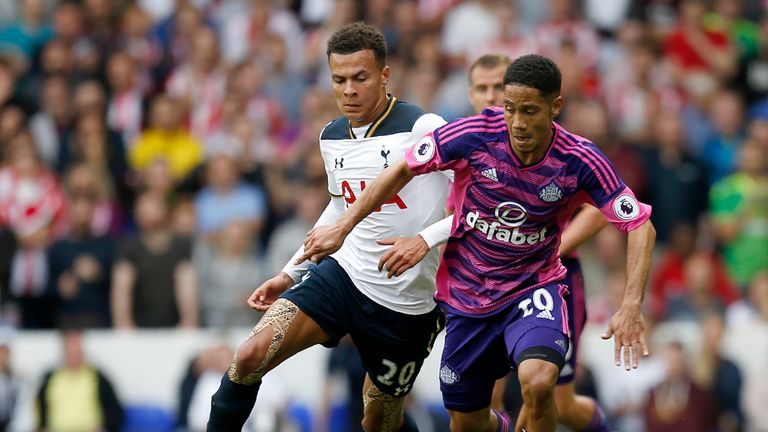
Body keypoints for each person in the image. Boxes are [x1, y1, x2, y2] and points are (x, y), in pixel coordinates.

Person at [300, 54, 656, 432]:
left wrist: (631, 304)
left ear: (556, 107)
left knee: (538, 383)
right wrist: (344, 225)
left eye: (530, 111)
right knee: (467, 421)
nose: (517, 123)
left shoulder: (579, 158)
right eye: (510, 109)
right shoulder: (473, 134)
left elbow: (639, 225)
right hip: (468, 297)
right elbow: (403, 166)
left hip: (532, 288)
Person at [206, 22, 451, 432]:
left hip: (408, 302)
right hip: (345, 277)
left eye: (361, 78)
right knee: (249, 355)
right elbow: (339, 208)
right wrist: (290, 271)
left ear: (385, 76)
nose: (349, 90)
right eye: (339, 80)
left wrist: (424, 241)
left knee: (378, 419)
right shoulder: (331, 136)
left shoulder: (424, 127)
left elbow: (475, 203)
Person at [464, 53, 612, 430]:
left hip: (551, 279)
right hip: (485, 283)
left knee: (555, 400)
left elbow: (603, 209)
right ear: (470, 95)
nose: (492, 96)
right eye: (483, 88)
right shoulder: (468, 146)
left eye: (499, 87)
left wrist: (549, 248)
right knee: (487, 396)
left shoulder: (562, 151)